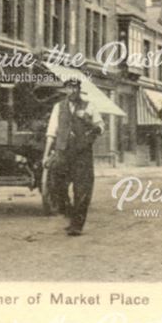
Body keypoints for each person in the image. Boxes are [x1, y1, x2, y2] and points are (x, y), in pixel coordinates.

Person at [43, 84, 103, 236]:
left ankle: (77, 225)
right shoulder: (58, 107)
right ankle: (69, 211)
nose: (72, 91)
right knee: (57, 185)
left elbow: (100, 126)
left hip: (82, 153)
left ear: (79, 89)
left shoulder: (90, 106)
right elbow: (51, 131)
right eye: (69, 88)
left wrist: (88, 121)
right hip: (63, 151)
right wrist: (46, 154)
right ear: (65, 90)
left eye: (75, 88)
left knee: (82, 189)